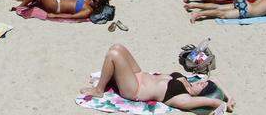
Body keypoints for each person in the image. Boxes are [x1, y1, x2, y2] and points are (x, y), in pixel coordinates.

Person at [81, 44, 234, 112]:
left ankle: (99, 90)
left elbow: (211, 101)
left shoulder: (183, 98)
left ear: (201, 94)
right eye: (203, 82)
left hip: (135, 89)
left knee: (113, 55)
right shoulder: (189, 82)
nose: (201, 82)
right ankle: (110, 79)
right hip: (139, 75)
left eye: (202, 86)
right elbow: (215, 80)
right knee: (117, 47)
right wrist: (229, 97)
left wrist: (222, 103)